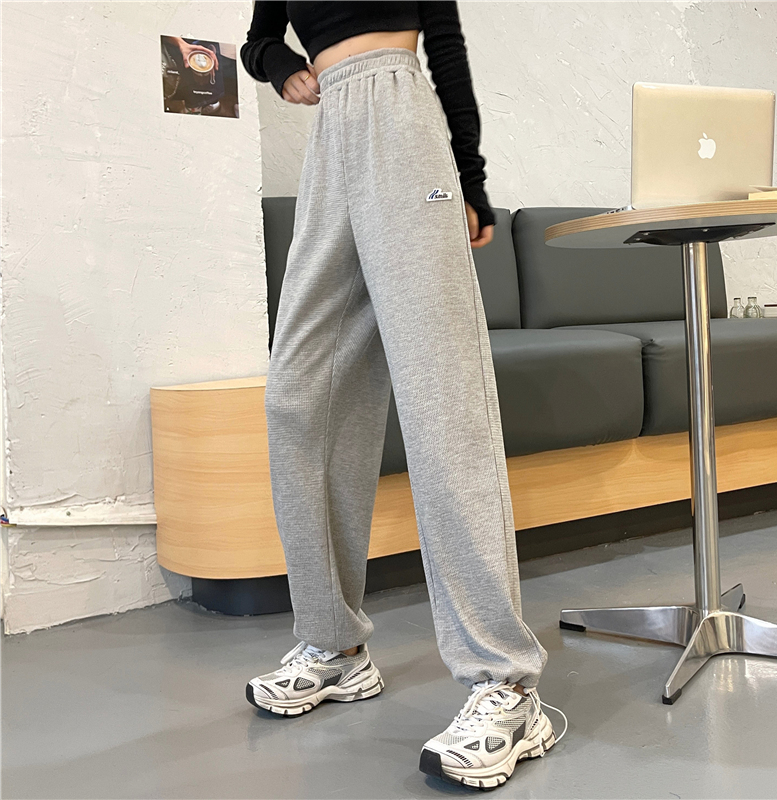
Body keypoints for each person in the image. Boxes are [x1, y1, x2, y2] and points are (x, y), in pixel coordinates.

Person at [239, 1, 564, 789]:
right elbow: (258, 40)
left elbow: (444, 47)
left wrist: (471, 179)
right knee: (298, 397)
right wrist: (283, 70)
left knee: (440, 397)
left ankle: (505, 682)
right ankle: (336, 644)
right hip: (331, 141)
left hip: (402, 124)